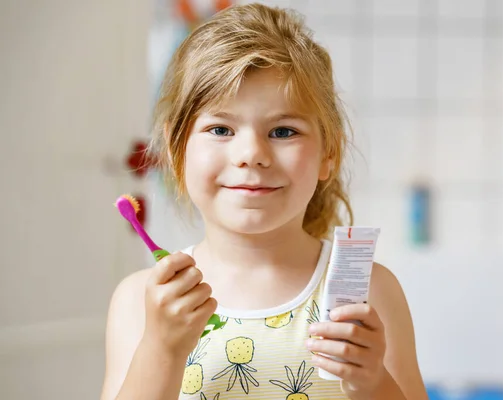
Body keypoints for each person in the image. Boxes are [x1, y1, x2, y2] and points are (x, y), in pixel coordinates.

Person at [101, 3, 427, 400]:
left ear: (330, 153)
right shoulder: (142, 299)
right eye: (221, 128)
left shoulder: (372, 292)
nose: (251, 153)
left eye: (283, 131)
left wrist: (373, 382)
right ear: (175, 149)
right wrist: (161, 350)